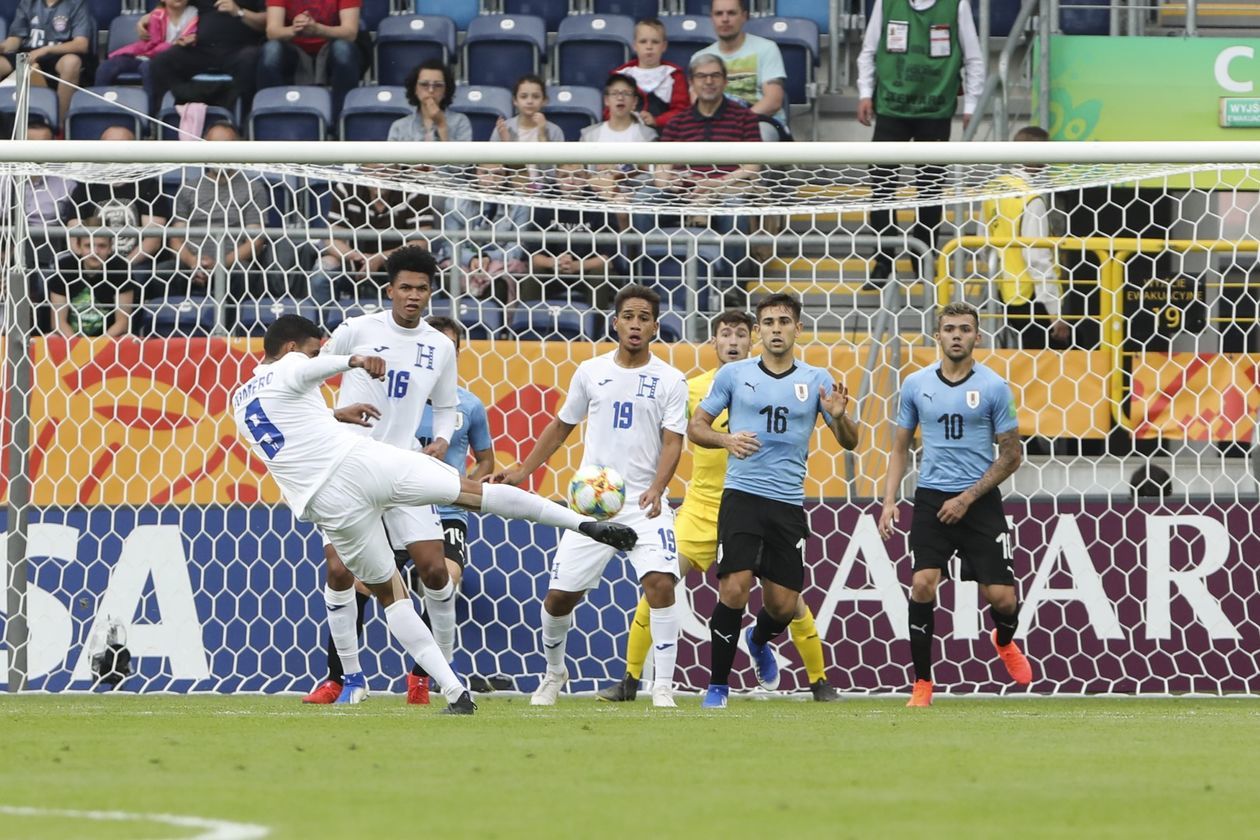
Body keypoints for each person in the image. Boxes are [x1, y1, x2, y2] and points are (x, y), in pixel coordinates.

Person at [233, 315, 637, 713]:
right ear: (289, 349)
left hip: (327, 503)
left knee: (391, 594)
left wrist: (337, 414)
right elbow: (311, 369)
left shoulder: (240, 401)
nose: (312, 358)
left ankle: (453, 691)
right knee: (471, 493)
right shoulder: (291, 365)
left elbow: (294, 429)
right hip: (360, 463)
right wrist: (351, 361)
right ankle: (584, 523)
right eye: (309, 351)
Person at [599, 309, 843, 703]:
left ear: (754, 340)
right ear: (713, 342)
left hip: (758, 500)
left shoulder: (776, 380)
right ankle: (630, 678)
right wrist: (658, 487)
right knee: (659, 582)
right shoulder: (692, 388)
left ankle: (817, 679)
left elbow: (842, 433)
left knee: (787, 601)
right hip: (702, 507)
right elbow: (675, 439)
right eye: (724, 334)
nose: (733, 341)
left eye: (740, 334)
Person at [491, 285, 688, 708]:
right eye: (628, 316)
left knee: (660, 585)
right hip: (592, 503)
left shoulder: (671, 380)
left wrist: (657, 486)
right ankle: (553, 673)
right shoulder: (590, 371)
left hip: (644, 504)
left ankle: (664, 686)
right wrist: (524, 469)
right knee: (559, 599)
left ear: (656, 327)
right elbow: (561, 426)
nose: (635, 325)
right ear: (615, 322)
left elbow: (673, 442)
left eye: (644, 318)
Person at [299, 246, 464, 706]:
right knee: (339, 571)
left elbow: (448, 406)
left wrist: (443, 439)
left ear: (432, 294)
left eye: (422, 289)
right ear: (389, 290)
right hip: (349, 465)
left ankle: (428, 678)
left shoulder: (440, 345)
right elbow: (308, 380)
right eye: (405, 288)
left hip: (403, 468)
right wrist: (336, 412)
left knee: (435, 571)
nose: (413, 296)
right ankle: (343, 679)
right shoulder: (357, 330)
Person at [688, 293, 859, 709]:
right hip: (742, 496)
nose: (776, 329)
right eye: (768, 322)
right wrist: (726, 439)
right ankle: (717, 687)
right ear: (759, 331)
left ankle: (759, 639)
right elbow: (696, 427)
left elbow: (851, 442)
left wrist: (838, 416)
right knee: (734, 588)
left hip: (786, 504)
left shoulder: (817, 379)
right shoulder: (734, 376)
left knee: (783, 606)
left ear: (798, 329)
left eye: (784, 321)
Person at [878, 301, 1033, 707]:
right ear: (938, 335)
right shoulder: (915, 385)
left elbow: (1012, 455)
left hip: (978, 500)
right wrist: (890, 500)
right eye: (949, 329)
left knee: (1002, 599)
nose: (957, 335)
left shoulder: (995, 387)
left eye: (965, 329)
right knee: (922, 583)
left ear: (977, 336)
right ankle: (923, 685)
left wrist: (966, 498)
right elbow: (898, 448)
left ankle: (1003, 639)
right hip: (931, 497)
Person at [856, 0, 985, 285]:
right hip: (891, 108)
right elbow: (868, 52)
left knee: (930, 191)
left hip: (935, 110)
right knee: (882, 188)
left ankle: (923, 259)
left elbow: (973, 58)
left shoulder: (956, 5)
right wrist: (865, 92)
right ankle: (884, 259)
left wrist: (972, 104)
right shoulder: (886, 3)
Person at [405, 315, 496, 704]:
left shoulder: (470, 405)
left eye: (450, 349)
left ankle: (422, 679)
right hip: (400, 507)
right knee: (357, 584)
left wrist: (467, 487)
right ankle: (344, 679)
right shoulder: (397, 400)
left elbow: (486, 459)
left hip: (447, 512)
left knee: (444, 578)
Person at [165, 122, 268, 309]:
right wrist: (193, 262)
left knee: (244, 273)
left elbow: (255, 241)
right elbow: (175, 237)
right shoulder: (188, 188)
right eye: (214, 146)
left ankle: (232, 332)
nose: (220, 154)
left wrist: (220, 264)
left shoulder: (253, 189)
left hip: (231, 264)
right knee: (162, 273)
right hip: (191, 262)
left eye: (226, 147)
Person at [984, 125, 1070, 349]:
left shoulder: (994, 189)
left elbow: (985, 240)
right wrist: (1056, 314)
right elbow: (1037, 258)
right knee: (1057, 363)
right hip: (1033, 296)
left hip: (1007, 292)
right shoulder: (1032, 200)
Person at [65, 127, 168, 297]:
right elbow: (74, 235)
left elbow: (153, 240)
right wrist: (94, 263)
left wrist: (121, 267)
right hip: (91, 261)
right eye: (110, 147)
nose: (116, 153)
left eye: (122, 147)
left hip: (135, 264)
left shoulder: (148, 185)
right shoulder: (85, 186)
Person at [520, 163, 623, 310]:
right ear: (556, 178)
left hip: (588, 272)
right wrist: (555, 263)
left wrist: (576, 266)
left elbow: (609, 259)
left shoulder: (600, 207)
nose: (571, 181)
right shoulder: (544, 205)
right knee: (533, 273)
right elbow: (533, 257)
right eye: (564, 176)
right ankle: (529, 327)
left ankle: (596, 330)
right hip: (553, 271)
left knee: (600, 273)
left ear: (587, 177)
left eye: (578, 176)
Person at [147, 0, 266, 119]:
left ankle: (243, 122)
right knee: (161, 62)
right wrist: (148, 17)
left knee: (250, 59)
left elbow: (266, 22)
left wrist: (239, 12)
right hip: (202, 49)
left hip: (238, 50)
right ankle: (165, 119)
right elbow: (175, 3)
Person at [693, 0, 790, 142]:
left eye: (731, 13)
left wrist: (737, 123)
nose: (725, 19)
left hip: (761, 122)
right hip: (714, 123)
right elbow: (696, 101)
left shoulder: (767, 48)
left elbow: (773, 101)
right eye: (719, 14)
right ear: (712, 18)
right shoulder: (699, 58)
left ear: (744, 16)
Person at [258, 0, 363, 120]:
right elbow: (272, 32)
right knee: (271, 50)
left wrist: (318, 30)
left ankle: (341, 121)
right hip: (293, 50)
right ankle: (274, 120)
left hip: (330, 47)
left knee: (343, 49)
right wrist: (294, 29)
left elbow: (350, 33)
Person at [0, 0, 94, 125]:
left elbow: (81, 44)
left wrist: (45, 50)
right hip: (28, 54)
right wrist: (3, 47)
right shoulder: (27, 3)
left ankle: (59, 125)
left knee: (71, 63)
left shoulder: (76, 4)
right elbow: (15, 39)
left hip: (58, 54)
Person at [96, 0, 198, 94]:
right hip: (145, 54)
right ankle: (97, 108)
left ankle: (151, 111)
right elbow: (151, 45)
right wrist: (172, 44)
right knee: (106, 67)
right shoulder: (156, 15)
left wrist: (171, 46)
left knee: (148, 68)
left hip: (170, 59)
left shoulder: (195, 15)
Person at [48, 234, 140, 337]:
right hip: (70, 339)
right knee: (50, 338)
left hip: (109, 339)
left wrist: (97, 346)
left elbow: (122, 322)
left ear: (110, 248)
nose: (95, 252)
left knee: (128, 338)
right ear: (78, 247)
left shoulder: (120, 268)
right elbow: (58, 323)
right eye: (88, 246)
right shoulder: (65, 267)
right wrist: (76, 345)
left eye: (102, 246)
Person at [611, 18, 689, 132]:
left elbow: (682, 111)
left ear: (664, 46)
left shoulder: (673, 75)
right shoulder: (621, 76)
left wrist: (657, 120)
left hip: (664, 137)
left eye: (655, 42)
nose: (649, 46)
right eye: (643, 41)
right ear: (634, 46)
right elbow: (609, 111)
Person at [387, 59, 472, 143]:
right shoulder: (399, 127)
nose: (431, 90)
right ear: (415, 89)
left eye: (438, 85)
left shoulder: (460, 122)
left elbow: (459, 156)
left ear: (446, 91)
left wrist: (441, 125)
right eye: (424, 84)